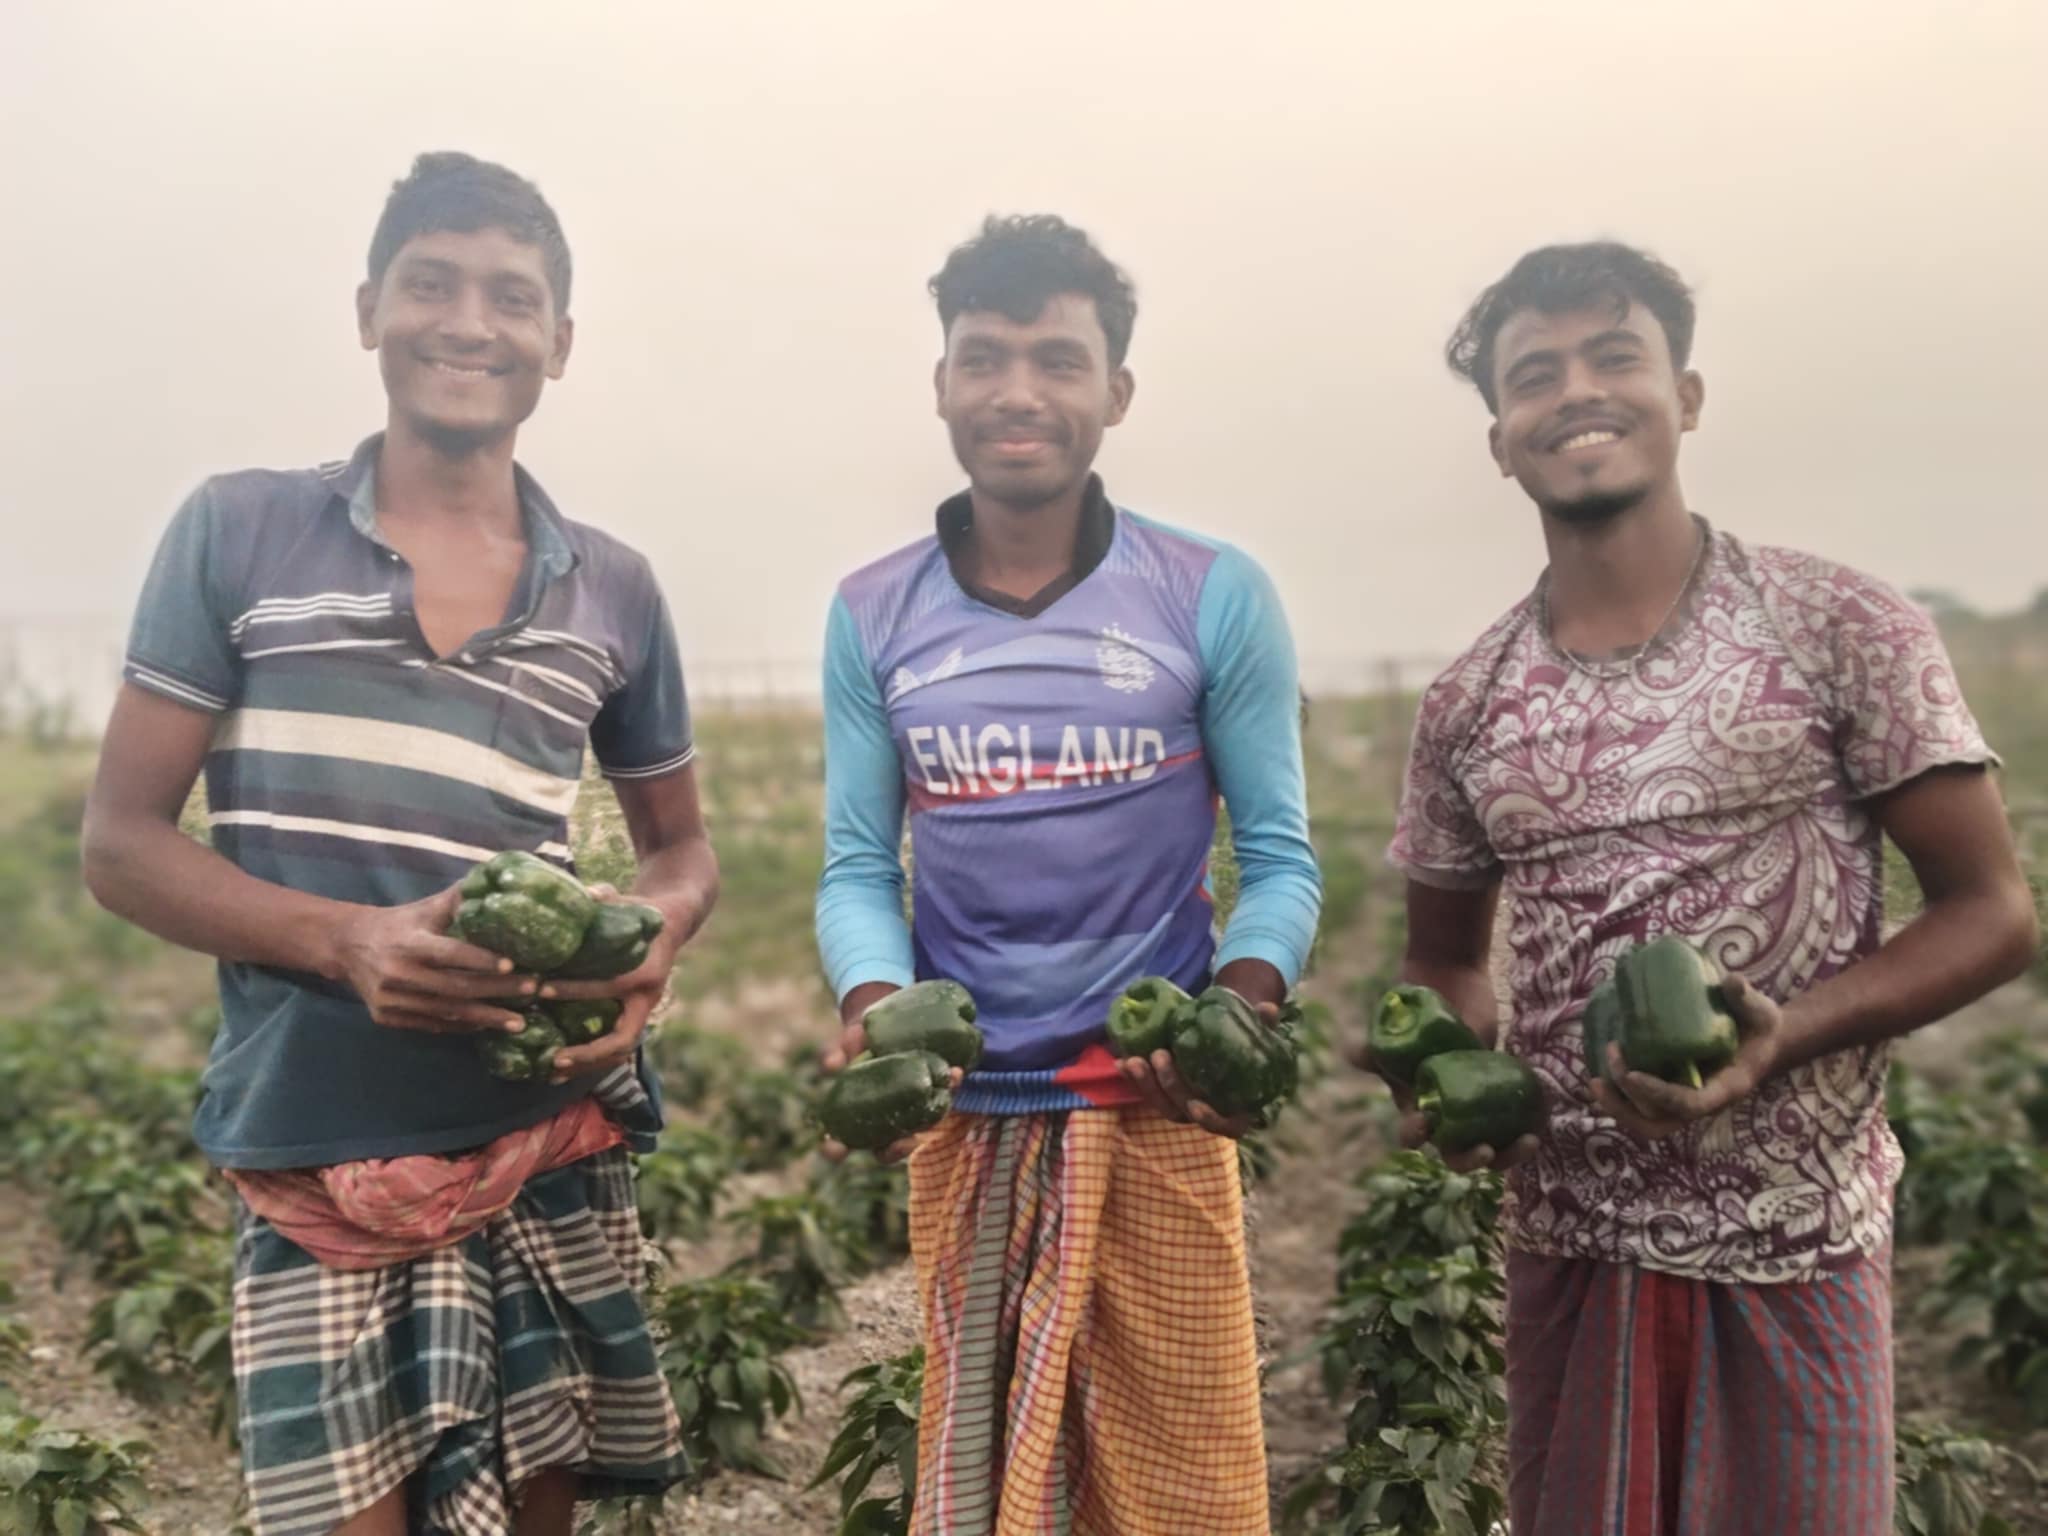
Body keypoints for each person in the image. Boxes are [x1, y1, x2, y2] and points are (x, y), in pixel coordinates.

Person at [80, 152, 714, 1536]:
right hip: (320, 1138)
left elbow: (683, 853)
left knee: (538, 1510)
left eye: (512, 296)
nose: (467, 323)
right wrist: (343, 943)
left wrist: (652, 945)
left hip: (537, 1129)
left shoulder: (614, 586)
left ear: (560, 340)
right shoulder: (240, 529)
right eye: (431, 283)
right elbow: (121, 843)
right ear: (369, 308)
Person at [1379, 240, 2039, 1535]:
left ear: (1684, 394)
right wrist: (1446, 1074)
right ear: (1501, 441)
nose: (1578, 391)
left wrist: (1793, 1029)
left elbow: (1993, 912)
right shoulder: (1466, 700)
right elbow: (1444, 960)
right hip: (1567, 1245)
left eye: (1614, 355)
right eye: (1535, 375)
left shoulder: (1839, 625)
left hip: (1795, 1238)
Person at [813, 214, 1321, 1536]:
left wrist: (1241, 1008)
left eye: (1056, 359)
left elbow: (1277, 858)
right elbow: (859, 867)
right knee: (991, 1492)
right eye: (983, 358)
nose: (1018, 392)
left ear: (1117, 392)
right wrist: (872, 998)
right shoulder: (874, 611)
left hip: (1154, 1111)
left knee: (1186, 1487)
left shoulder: (1211, 594)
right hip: (967, 1114)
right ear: (942, 385)